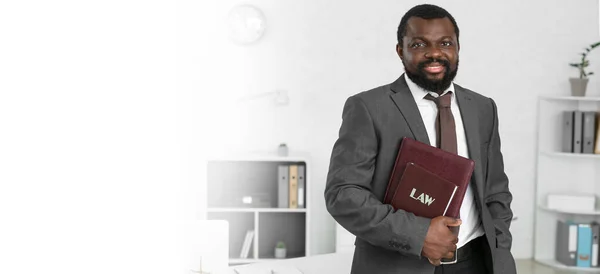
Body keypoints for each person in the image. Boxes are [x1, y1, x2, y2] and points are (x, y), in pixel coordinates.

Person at [324, 4, 516, 274]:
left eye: (445, 43)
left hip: (476, 262)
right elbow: (343, 195)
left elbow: (496, 190)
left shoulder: (483, 108)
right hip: (398, 263)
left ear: (458, 47)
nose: (435, 53)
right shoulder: (368, 107)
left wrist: (500, 245)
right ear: (400, 50)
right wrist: (418, 235)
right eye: (419, 44)